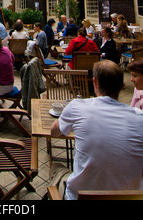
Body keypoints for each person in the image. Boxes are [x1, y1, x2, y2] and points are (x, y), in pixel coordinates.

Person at [50, 60, 143, 200]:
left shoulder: (77, 106)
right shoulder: (140, 118)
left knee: (56, 168)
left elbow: (54, 132)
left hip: (80, 197)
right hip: (129, 196)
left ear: (95, 83)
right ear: (122, 87)